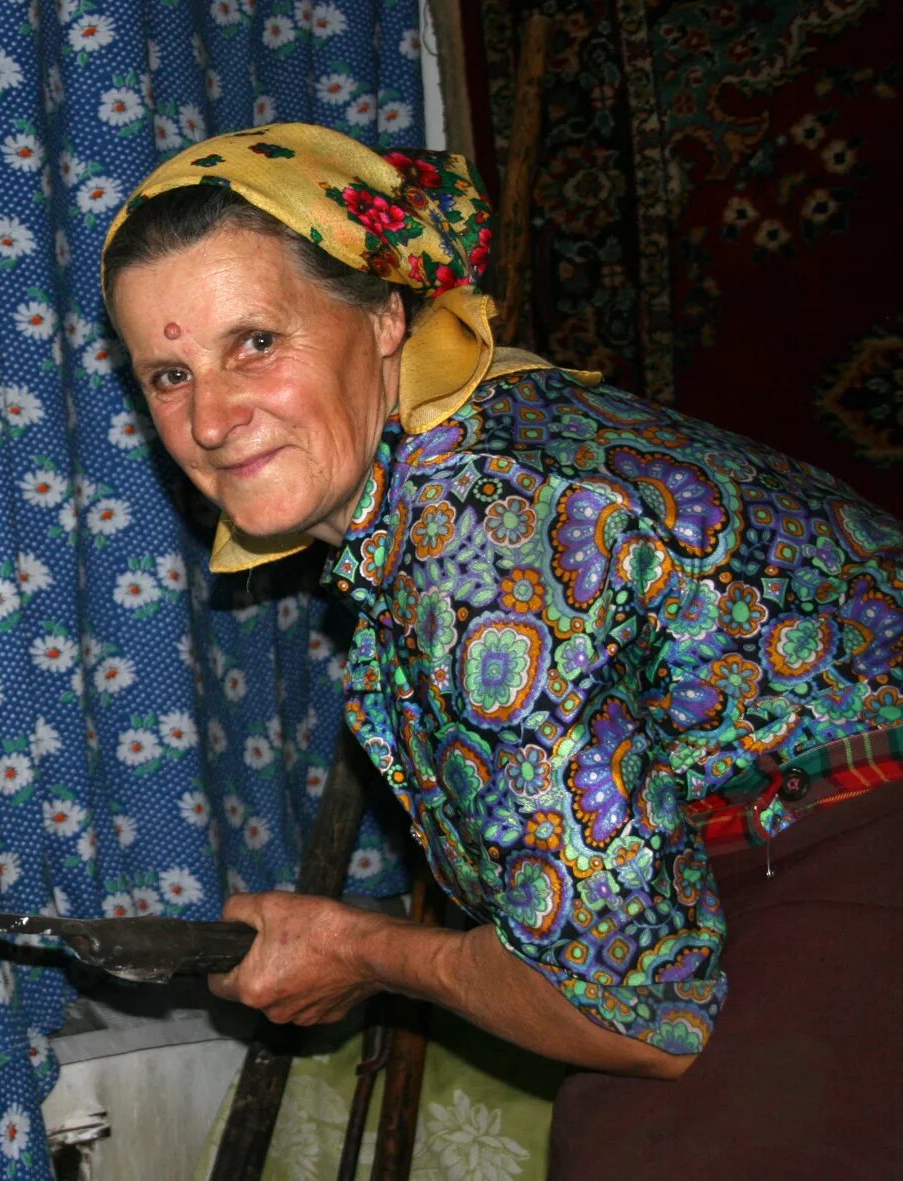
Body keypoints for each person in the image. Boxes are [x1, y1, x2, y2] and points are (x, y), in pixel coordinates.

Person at [99, 122, 903, 1176]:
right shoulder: (471, 433)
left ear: (383, 317)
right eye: (167, 373)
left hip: (851, 831)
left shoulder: (481, 533)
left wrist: (355, 950)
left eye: (254, 342)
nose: (209, 416)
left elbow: (627, 1008)